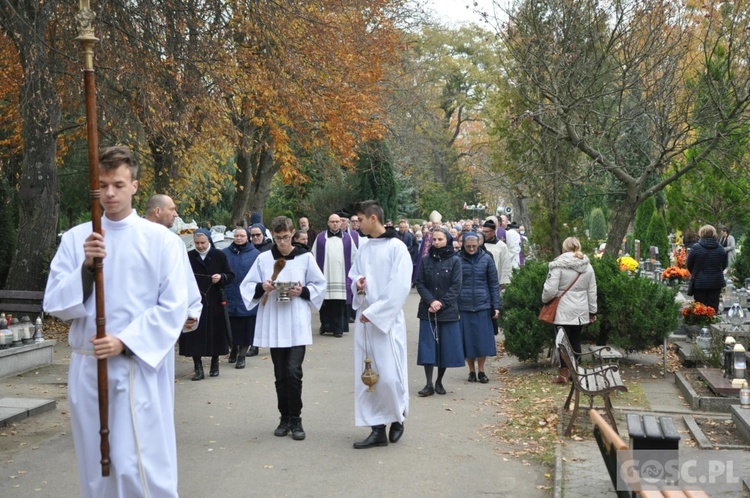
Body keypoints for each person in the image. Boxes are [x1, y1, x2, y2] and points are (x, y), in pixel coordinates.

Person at [43, 146, 189, 497]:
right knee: (97, 467)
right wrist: (86, 269)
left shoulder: (162, 242)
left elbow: (173, 306)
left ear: (135, 186)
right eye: (103, 184)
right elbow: (54, 303)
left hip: (136, 368)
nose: (109, 193)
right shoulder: (78, 239)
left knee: (136, 462)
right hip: (89, 368)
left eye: (118, 184)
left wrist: (124, 340)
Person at [240, 216, 326, 441]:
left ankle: (296, 418)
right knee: (280, 374)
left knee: (293, 372)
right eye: (278, 238)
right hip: (275, 321)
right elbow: (247, 286)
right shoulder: (263, 259)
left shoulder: (304, 257)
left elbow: (320, 284)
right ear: (273, 236)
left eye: (286, 238)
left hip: (296, 321)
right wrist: (263, 287)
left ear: (293, 234)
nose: (282, 243)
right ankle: (284, 417)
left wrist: (303, 291)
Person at [349, 200, 412, 449]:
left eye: (360, 219)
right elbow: (354, 275)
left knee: (388, 376)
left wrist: (375, 312)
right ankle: (376, 428)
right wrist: (358, 285)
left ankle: (397, 417)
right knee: (368, 376)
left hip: (386, 322)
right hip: (366, 321)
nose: (357, 224)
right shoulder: (363, 247)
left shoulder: (397, 248)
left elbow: (400, 286)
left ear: (373, 218)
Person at [180, 229, 235, 380]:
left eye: (203, 243)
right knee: (193, 334)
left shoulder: (219, 255)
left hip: (214, 300)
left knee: (215, 333)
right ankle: (197, 367)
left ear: (209, 241)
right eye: (197, 243)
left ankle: (214, 362)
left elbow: (230, 275)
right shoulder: (189, 256)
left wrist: (221, 277)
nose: (200, 246)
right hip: (193, 301)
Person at [542, 237, 598, 384]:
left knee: (561, 342)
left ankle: (563, 374)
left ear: (564, 248)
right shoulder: (588, 267)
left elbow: (550, 290)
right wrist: (592, 311)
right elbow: (592, 291)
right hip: (580, 311)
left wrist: (544, 300)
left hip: (563, 310)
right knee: (575, 341)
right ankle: (576, 372)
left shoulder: (558, 266)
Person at [414, 227, 463, 396]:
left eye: (440, 239)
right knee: (428, 348)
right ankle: (428, 384)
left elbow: (456, 286)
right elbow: (419, 283)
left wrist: (441, 303)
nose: (436, 242)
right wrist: (431, 301)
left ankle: (439, 381)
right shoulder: (426, 260)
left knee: (445, 348)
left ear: (447, 240)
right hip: (427, 310)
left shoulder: (455, 261)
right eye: (434, 239)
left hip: (447, 311)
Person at [457, 233, 501, 384]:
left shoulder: (486, 258)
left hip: (483, 304)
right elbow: (454, 284)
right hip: (464, 305)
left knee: (482, 341)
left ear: (479, 245)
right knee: (468, 341)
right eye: (468, 246)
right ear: (463, 245)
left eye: (474, 246)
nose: (471, 249)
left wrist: (496, 305)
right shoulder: (457, 259)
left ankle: (481, 370)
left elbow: (494, 283)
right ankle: (471, 370)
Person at [312, 213, 357, 337]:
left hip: (342, 277)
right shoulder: (320, 238)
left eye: (337, 221)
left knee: (339, 304)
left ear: (341, 223)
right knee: (325, 303)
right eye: (332, 221)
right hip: (325, 275)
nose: (335, 224)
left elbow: (354, 257)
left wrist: (353, 275)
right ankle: (325, 326)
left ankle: (338, 329)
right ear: (328, 223)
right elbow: (314, 256)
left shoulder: (347, 238)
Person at [222, 227, 261, 368]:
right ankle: (233, 349)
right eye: (236, 236)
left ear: (247, 237)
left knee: (246, 328)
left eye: (242, 236)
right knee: (231, 327)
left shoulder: (256, 254)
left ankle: (241, 356)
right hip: (230, 294)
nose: (239, 238)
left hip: (247, 297)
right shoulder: (225, 253)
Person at [687, 225, 727, 312]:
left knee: (699, 308)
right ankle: (712, 323)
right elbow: (724, 265)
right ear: (714, 234)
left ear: (701, 233)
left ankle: (701, 324)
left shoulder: (696, 247)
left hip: (700, 282)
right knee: (712, 308)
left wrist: (695, 273)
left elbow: (689, 264)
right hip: (716, 282)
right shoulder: (721, 248)